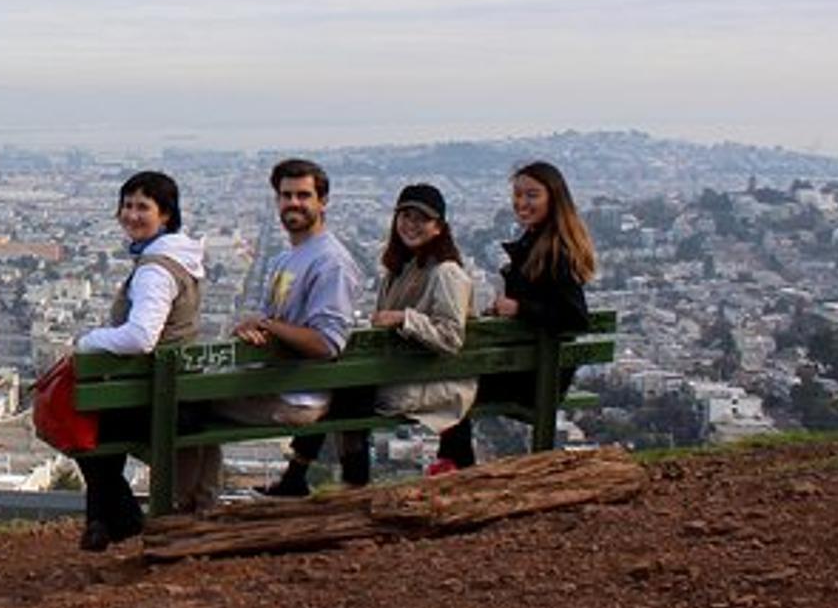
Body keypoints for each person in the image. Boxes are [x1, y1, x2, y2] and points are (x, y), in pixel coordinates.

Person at [266, 184, 480, 492]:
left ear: (439, 227)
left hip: (433, 380)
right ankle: (310, 478)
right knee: (338, 384)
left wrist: (404, 318)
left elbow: (450, 336)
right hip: (410, 370)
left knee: (339, 391)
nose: (412, 225)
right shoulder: (401, 269)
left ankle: (344, 481)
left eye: (422, 219)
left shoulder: (446, 272)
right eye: (406, 216)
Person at [71, 171, 206, 552]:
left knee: (78, 421)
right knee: (99, 417)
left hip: (164, 402)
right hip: (178, 391)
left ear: (166, 214)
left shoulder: (155, 270)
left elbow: (141, 336)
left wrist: (88, 342)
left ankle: (119, 518)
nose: (131, 215)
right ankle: (102, 520)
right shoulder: (182, 258)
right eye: (127, 205)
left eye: (143, 207)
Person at [223, 159, 363, 502]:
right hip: (278, 383)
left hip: (296, 397)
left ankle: (192, 502)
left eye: (303, 195)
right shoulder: (286, 259)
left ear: (323, 201)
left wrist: (268, 325)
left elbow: (327, 343)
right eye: (286, 195)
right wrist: (252, 328)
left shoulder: (330, 262)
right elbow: (274, 322)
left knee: (185, 406)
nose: (293, 203)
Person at [451, 160, 599, 466]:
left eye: (532, 195)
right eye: (518, 195)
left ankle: (457, 468)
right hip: (533, 366)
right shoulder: (539, 244)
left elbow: (575, 317)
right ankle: (455, 465)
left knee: (450, 387)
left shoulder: (555, 251)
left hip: (536, 376)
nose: (522, 203)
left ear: (553, 199)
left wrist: (520, 308)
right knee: (451, 382)